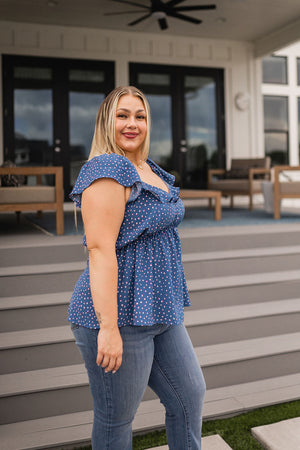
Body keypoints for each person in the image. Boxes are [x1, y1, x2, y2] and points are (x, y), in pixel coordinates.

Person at [69, 86, 206, 450]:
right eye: (123, 115)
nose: (132, 123)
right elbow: (99, 250)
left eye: (140, 116)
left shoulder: (146, 167)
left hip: (160, 309)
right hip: (120, 315)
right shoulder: (107, 168)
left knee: (189, 396)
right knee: (117, 420)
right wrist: (108, 328)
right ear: (106, 121)